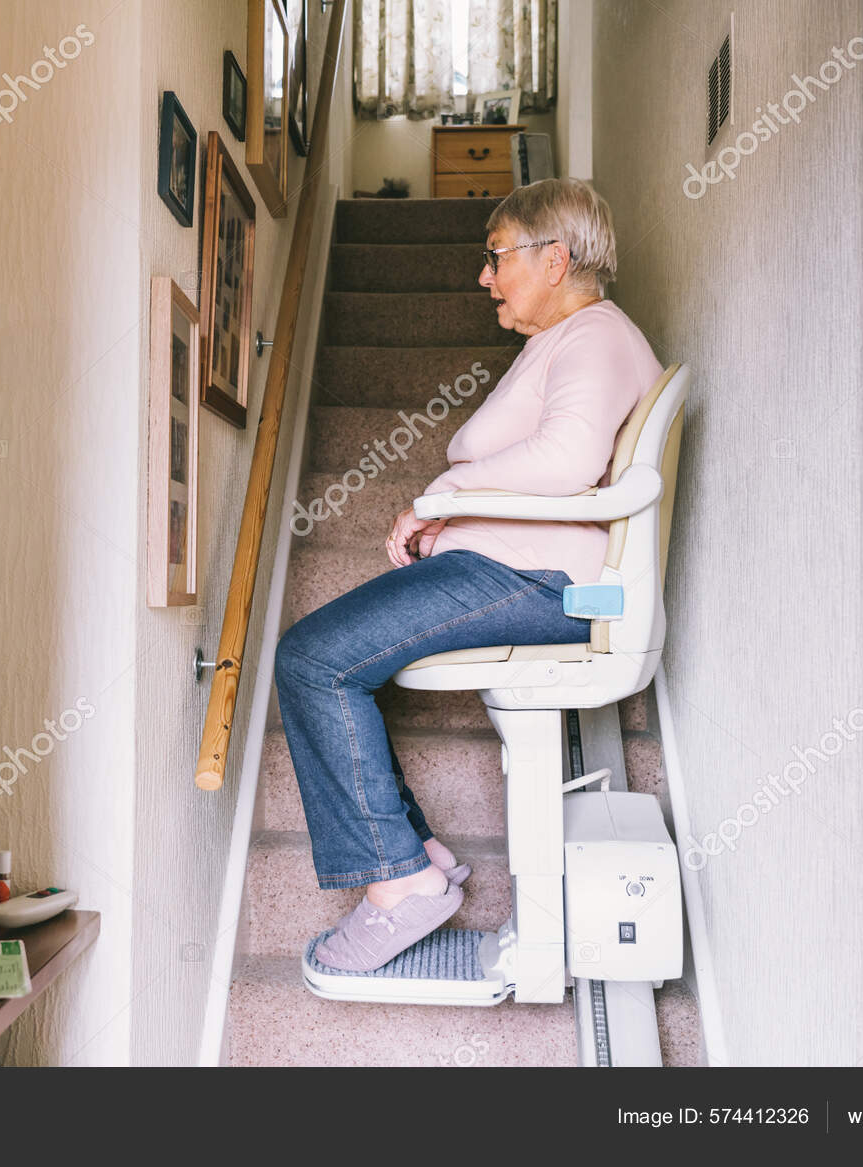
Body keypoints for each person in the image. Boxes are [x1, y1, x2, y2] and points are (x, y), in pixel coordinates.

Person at [274, 176, 664, 972]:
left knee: (313, 660)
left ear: (554, 259)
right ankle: (414, 852)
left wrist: (445, 495)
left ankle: (402, 882)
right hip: (521, 566)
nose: (484, 277)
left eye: (496, 258)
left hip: (538, 577)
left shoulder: (594, 336)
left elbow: (569, 458)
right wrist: (450, 515)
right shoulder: (569, 340)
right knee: (322, 654)